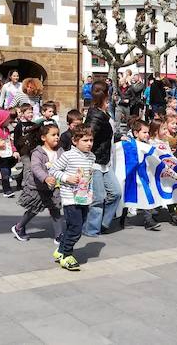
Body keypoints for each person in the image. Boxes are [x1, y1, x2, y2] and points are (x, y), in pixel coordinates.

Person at [50, 125, 96, 271]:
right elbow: (53, 170)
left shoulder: (91, 156)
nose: (89, 143)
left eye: (91, 140)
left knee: (76, 226)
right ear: (75, 141)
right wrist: (67, 178)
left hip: (84, 198)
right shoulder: (68, 155)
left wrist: (91, 192)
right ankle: (67, 255)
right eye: (85, 140)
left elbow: (89, 177)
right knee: (76, 229)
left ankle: (60, 250)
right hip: (70, 198)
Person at [13, 122, 66, 242]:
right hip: (38, 187)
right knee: (33, 209)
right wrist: (46, 178)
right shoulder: (38, 152)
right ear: (43, 138)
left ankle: (59, 236)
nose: (57, 137)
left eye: (58, 134)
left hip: (54, 187)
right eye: (53, 135)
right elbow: (36, 168)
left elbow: (66, 164)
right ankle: (19, 227)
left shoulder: (60, 151)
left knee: (55, 210)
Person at [84, 81, 121, 236]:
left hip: (105, 161)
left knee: (116, 193)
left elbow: (107, 134)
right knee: (98, 198)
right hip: (95, 162)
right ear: (106, 95)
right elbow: (87, 136)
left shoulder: (104, 112)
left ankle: (103, 223)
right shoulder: (95, 115)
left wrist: (120, 137)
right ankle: (91, 229)